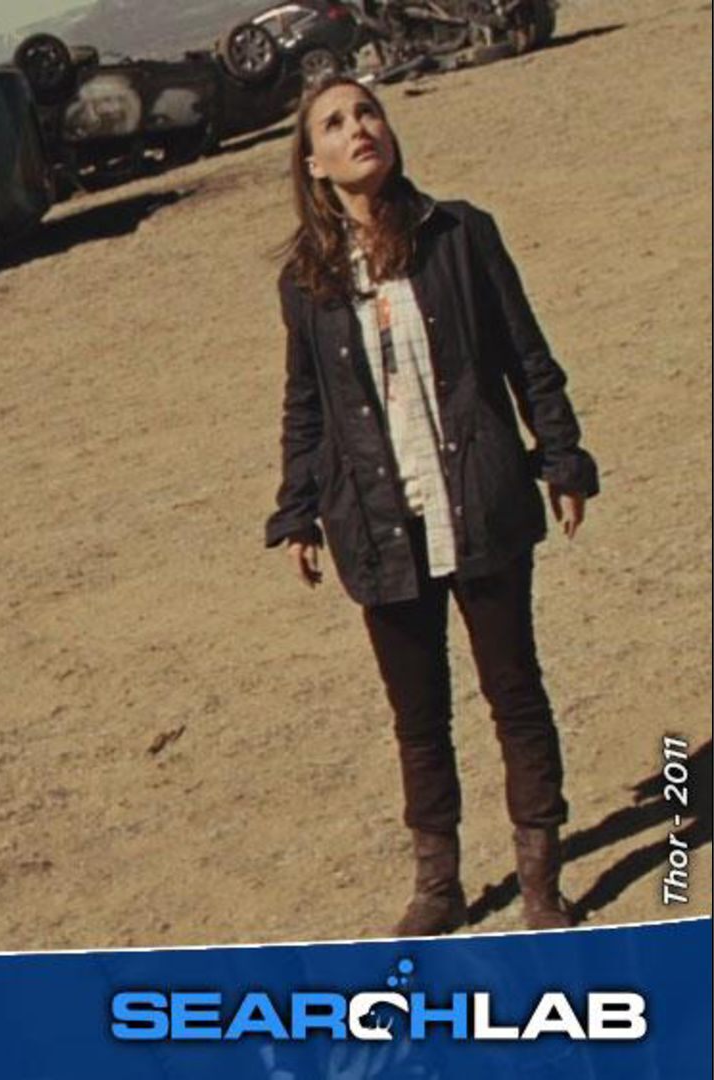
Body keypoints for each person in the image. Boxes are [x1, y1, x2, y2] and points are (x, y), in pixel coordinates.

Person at [263, 77, 598, 936]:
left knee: (515, 693)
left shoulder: (460, 234)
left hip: (478, 498)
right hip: (378, 520)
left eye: (367, 112)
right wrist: (298, 510)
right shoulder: (306, 279)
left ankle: (541, 881)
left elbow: (526, 353)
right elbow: (307, 403)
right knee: (418, 719)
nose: (359, 128)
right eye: (335, 123)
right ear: (314, 162)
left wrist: (561, 456)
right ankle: (438, 886)